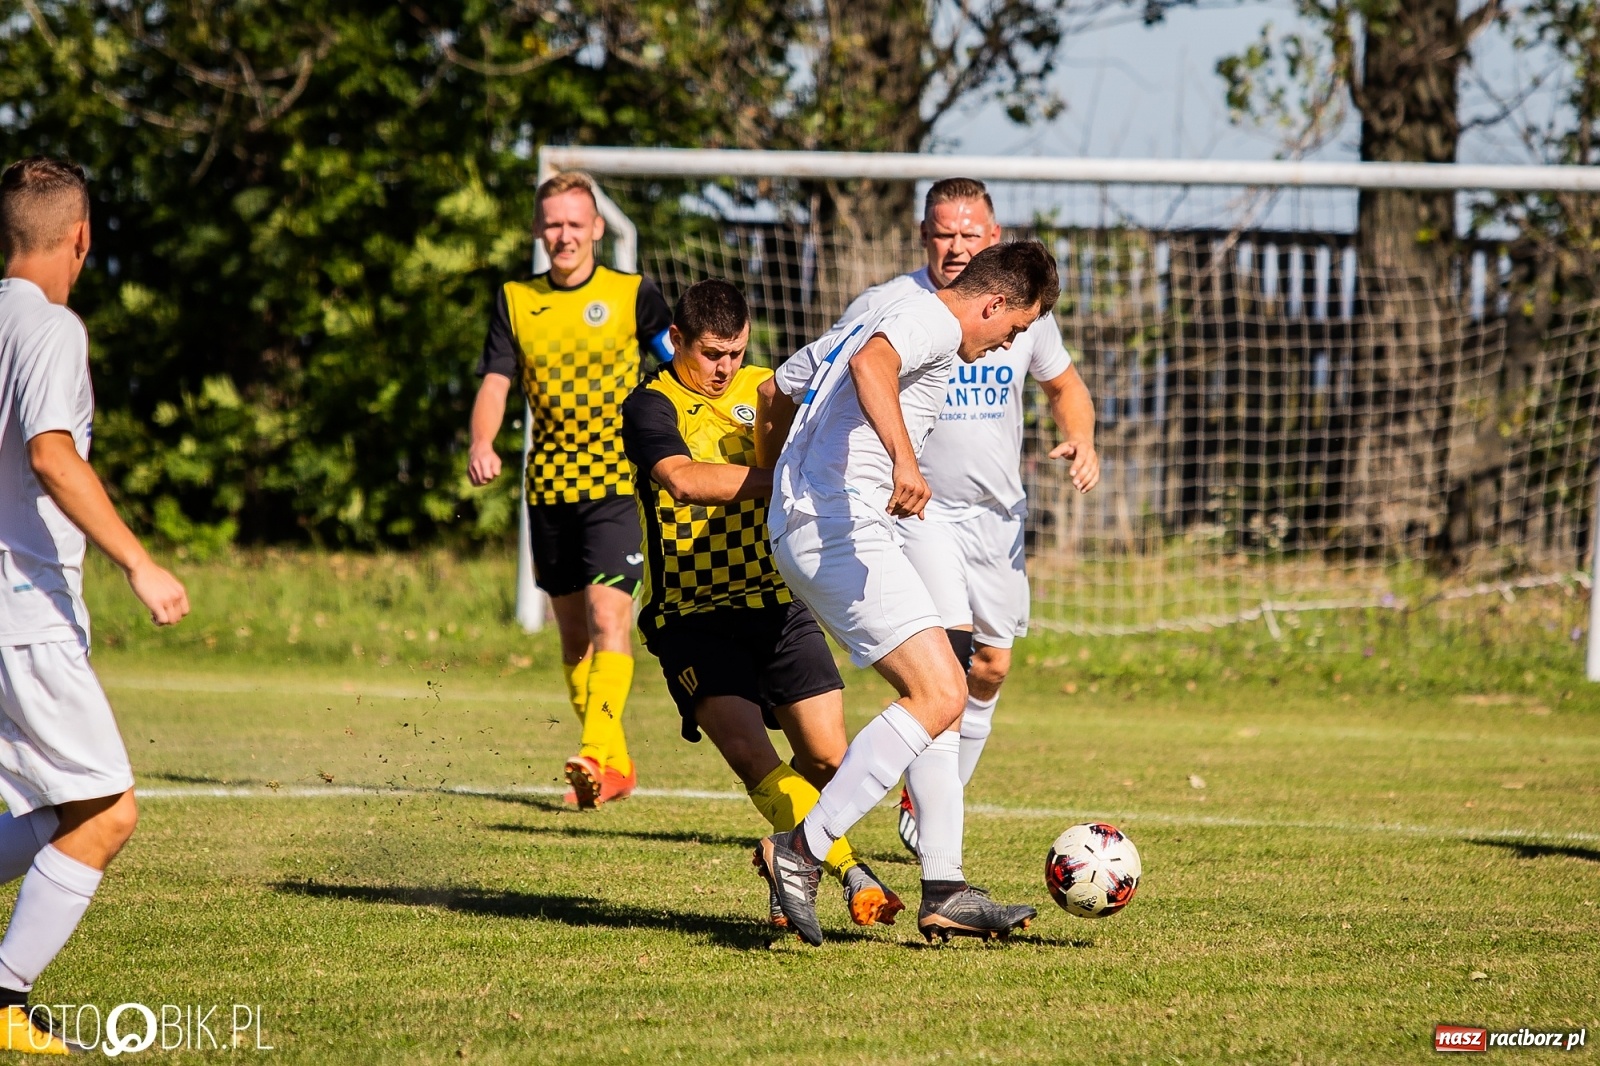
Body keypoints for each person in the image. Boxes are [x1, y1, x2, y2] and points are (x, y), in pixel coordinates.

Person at [752, 241, 1059, 946]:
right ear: (993, 304)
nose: (1002, 346)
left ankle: (945, 885)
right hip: (838, 524)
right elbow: (872, 366)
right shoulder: (933, 323)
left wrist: (777, 486)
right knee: (941, 694)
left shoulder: (883, 305)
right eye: (1011, 331)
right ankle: (799, 850)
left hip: (826, 519)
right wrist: (902, 458)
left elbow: (775, 389)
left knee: (945, 685)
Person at [620, 279, 902, 929]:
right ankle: (851, 872)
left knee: (830, 760)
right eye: (711, 353)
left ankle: (791, 859)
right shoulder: (651, 404)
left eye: (736, 353)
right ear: (677, 341)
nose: (724, 368)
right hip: (692, 615)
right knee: (752, 757)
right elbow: (682, 480)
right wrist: (782, 479)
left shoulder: (768, 392)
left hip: (778, 604)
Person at [832, 178, 1100, 855]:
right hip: (920, 513)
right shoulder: (894, 307)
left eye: (970, 234)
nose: (956, 246)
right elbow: (843, 372)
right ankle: (933, 830)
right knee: (946, 664)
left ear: (993, 237)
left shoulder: (1015, 309)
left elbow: (1065, 386)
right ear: (923, 235)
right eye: (944, 233)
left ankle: (929, 803)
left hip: (995, 517)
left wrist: (1082, 437)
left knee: (992, 667)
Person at [0, 156, 190, 1052]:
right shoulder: (50, 330)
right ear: (80, 238)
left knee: (47, 808)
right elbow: (51, 454)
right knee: (108, 811)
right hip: (22, 614)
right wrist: (139, 563)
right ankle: (1, 998)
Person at [468, 171, 673, 809]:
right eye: (552, 223)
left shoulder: (633, 294)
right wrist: (482, 441)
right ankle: (614, 767)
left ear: (596, 229)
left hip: (616, 483)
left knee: (610, 616)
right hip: (549, 487)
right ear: (538, 229)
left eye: (574, 224)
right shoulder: (514, 299)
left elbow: (676, 365)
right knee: (573, 640)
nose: (563, 235)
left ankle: (592, 749)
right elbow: (497, 382)